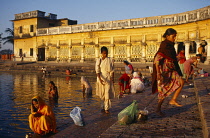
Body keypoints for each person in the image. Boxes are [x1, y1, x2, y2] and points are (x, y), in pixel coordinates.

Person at [152, 28, 185, 116]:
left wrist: (180, 74)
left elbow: (173, 60)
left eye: (175, 36)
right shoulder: (165, 45)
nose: (175, 38)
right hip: (164, 72)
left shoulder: (171, 46)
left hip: (171, 70)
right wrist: (158, 73)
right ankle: (158, 109)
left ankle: (173, 100)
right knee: (162, 91)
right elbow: (157, 59)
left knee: (181, 81)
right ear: (167, 36)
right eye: (173, 36)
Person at [95, 46, 115, 114]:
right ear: (101, 53)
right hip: (101, 78)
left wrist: (112, 79)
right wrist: (100, 79)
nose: (105, 55)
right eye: (104, 53)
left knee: (107, 93)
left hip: (108, 78)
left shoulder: (110, 60)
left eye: (106, 53)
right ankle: (102, 106)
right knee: (102, 94)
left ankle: (106, 108)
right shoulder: (99, 60)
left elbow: (112, 70)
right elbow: (97, 71)